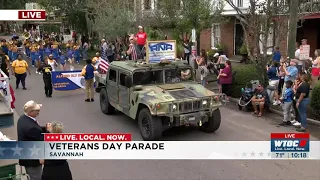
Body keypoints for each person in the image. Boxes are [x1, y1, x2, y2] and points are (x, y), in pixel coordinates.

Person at [17, 100, 49, 180]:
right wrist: (48, 131)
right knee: (36, 177)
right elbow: (41, 139)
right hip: (33, 160)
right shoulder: (31, 128)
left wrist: (44, 128)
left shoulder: (22, 118)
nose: (38, 112)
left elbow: (36, 131)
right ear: (30, 112)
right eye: (37, 111)